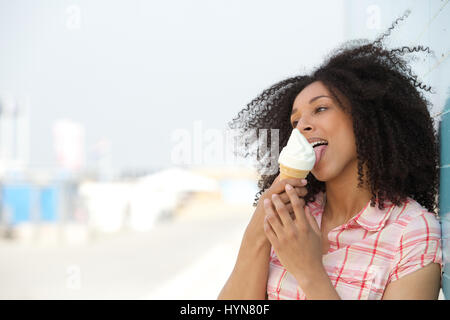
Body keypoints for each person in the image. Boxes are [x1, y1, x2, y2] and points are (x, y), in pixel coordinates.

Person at [218, 15, 443, 300]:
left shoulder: (411, 232)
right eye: (295, 121)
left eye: (320, 109)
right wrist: (257, 232)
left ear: (367, 116)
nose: (302, 126)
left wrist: (310, 272)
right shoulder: (294, 215)